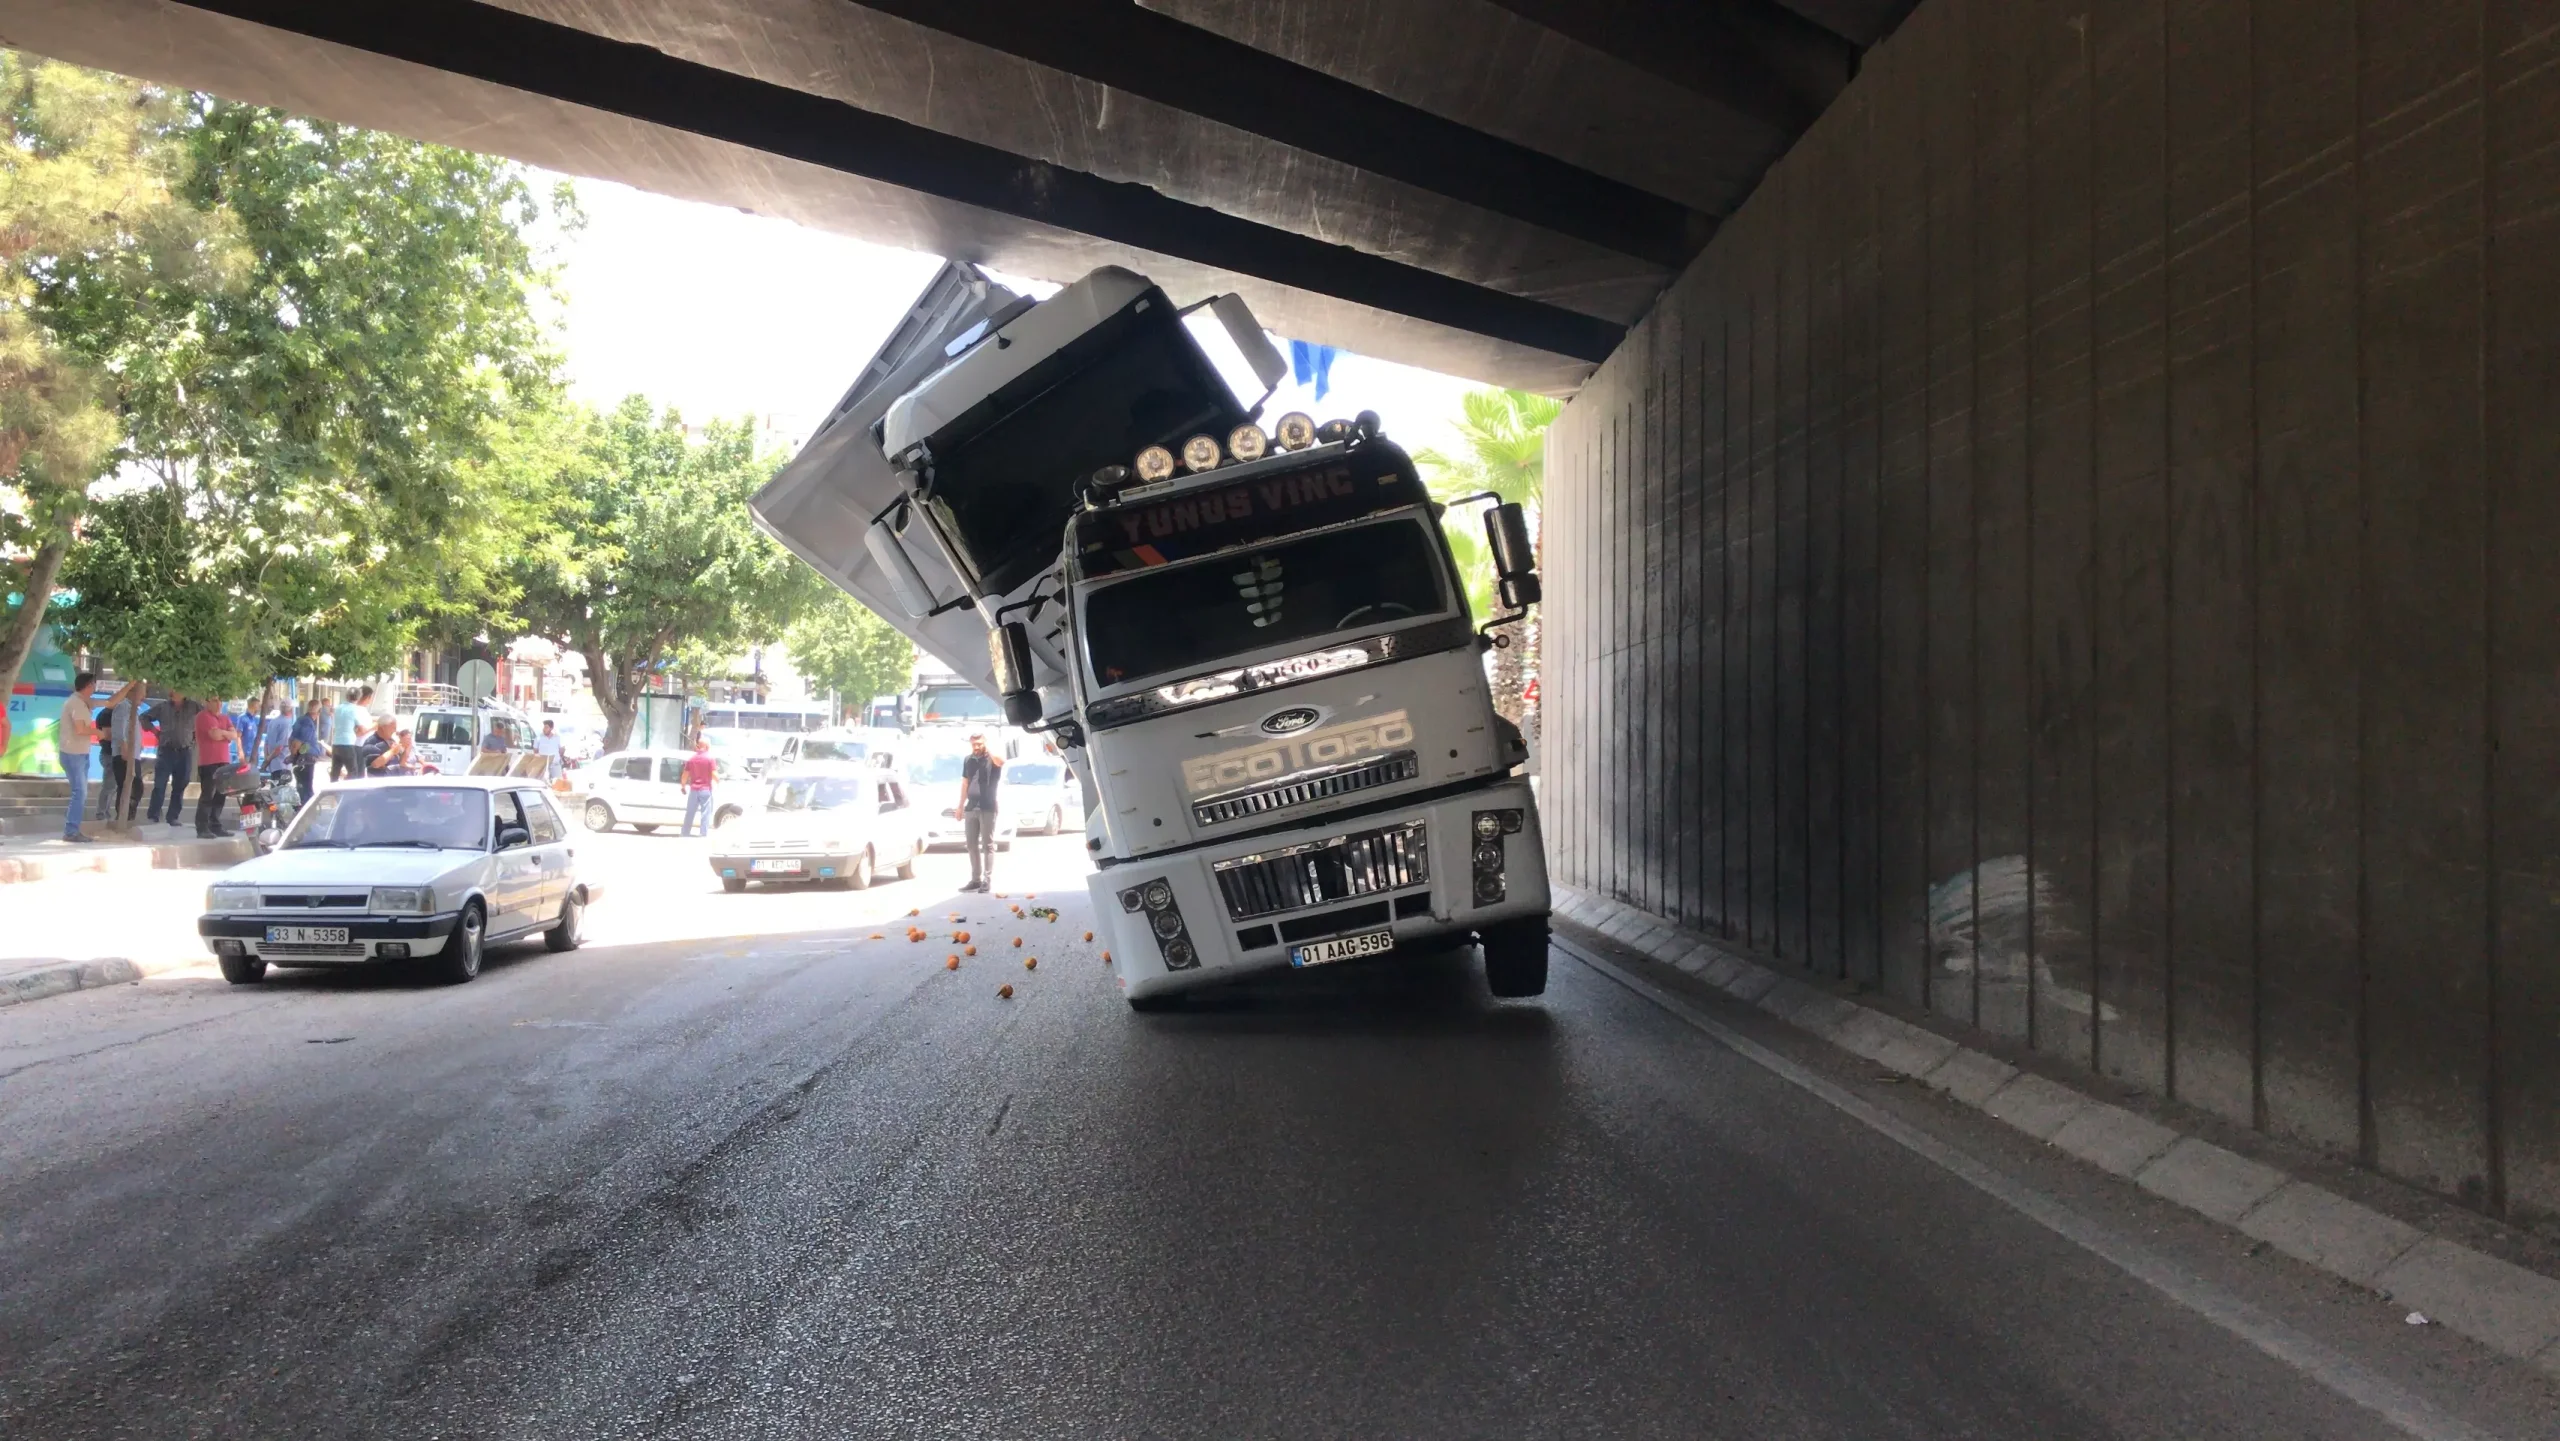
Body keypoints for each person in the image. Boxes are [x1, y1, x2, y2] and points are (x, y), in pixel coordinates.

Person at [54, 671, 113, 842]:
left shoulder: (83, 702)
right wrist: (99, 733)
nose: (95, 688)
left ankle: (72, 829)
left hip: (79, 753)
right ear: (88, 686)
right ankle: (71, 831)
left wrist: (131, 685)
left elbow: (110, 702)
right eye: (93, 684)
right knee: (79, 792)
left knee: (79, 792)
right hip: (74, 754)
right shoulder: (77, 704)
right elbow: (80, 729)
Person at [957, 731, 1004, 892]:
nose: (976, 747)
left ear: (984, 743)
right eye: (973, 744)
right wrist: (960, 806)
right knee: (971, 844)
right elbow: (965, 783)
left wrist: (988, 747)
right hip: (971, 807)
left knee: (987, 844)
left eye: (979, 744)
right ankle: (975, 879)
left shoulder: (992, 759)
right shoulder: (968, 760)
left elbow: (1000, 761)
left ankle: (987, 879)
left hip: (987, 807)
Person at [145, 691, 198, 827]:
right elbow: (144, 717)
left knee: (180, 785)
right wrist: (155, 731)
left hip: (184, 751)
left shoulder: (193, 707)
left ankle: (173, 816)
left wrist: (196, 737)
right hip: (166, 750)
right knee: (159, 784)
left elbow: (205, 719)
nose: (173, 693)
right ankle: (154, 815)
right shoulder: (163, 707)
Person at [192, 700, 240, 837]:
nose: (218, 704)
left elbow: (234, 735)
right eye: (214, 700)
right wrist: (226, 733)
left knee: (221, 795)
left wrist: (223, 733)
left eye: (219, 701)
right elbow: (214, 735)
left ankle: (215, 825)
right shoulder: (203, 716)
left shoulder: (225, 717)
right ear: (207, 702)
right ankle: (202, 827)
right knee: (208, 795)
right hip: (209, 762)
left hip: (224, 761)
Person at [105, 680, 146, 825]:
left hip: (134, 755)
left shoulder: (133, 709)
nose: (144, 697)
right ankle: (122, 817)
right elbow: (118, 729)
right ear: (132, 693)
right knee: (127, 786)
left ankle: (128, 817)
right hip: (125, 755)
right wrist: (124, 748)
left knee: (136, 787)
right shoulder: (123, 707)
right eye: (141, 693)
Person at [329, 685, 371, 782]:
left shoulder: (338, 708)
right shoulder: (355, 709)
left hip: (336, 742)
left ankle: (333, 791)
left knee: (335, 771)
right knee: (353, 772)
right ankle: (350, 794)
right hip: (348, 744)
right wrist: (374, 726)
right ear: (358, 697)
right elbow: (362, 729)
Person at [679, 740, 718, 837]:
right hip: (705, 789)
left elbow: (685, 775)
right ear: (707, 746)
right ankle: (703, 833)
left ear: (698, 746)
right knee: (705, 812)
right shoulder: (710, 759)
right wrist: (718, 781)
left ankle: (685, 832)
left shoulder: (692, 759)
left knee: (690, 812)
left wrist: (683, 786)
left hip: (694, 789)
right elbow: (714, 775)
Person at [288, 699, 321, 804]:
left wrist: (293, 754)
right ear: (318, 712)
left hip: (301, 759)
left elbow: (291, 739)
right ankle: (306, 812)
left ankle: (302, 807)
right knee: (306, 789)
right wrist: (295, 754)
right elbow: (298, 742)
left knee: (301, 786)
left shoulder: (300, 719)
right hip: (305, 760)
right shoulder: (308, 723)